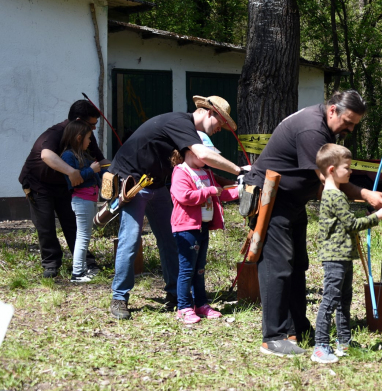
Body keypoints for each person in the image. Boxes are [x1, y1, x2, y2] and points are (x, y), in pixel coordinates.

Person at [248, 90, 382, 357]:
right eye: (347, 122)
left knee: (297, 265)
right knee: (278, 266)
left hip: (292, 201)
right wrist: (367, 194)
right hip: (272, 200)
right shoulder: (311, 130)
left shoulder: (325, 128)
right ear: (332, 110)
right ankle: (273, 337)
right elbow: (330, 182)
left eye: (354, 124)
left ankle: (297, 329)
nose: (349, 129)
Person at [107, 95, 250, 320]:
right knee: (131, 238)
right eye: (220, 124)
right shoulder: (182, 123)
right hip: (132, 181)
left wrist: (236, 180)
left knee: (171, 238)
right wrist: (239, 171)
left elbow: (207, 172)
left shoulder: (188, 130)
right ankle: (120, 297)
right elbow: (203, 155)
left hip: (156, 183)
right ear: (210, 113)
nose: (219, 129)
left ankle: (176, 295)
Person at [311, 144, 382, 363]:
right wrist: (378, 217)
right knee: (330, 300)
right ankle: (320, 346)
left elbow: (345, 221)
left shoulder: (335, 193)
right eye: (347, 167)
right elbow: (351, 224)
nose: (351, 172)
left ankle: (344, 343)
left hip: (343, 255)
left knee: (344, 299)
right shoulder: (335, 196)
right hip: (335, 257)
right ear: (331, 169)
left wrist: (373, 212)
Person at [19, 100, 106, 278]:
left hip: (64, 186)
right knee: (46, 225)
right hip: (38, 184)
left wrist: (118, 171)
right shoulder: (56, 133)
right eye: (92, 125)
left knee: (72, 223)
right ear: (80, 120)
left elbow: (101, 161)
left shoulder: (87, 136)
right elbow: (46, 154)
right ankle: (51, 264)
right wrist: (71, 172)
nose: (94, 130)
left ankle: (84, 262)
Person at [170, 132, 239, 324]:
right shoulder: (180, 172)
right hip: (185, 229)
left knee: (199, 268)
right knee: (187, 269)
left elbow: (220, 194)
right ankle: (184, 307)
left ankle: (201, 304)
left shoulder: (206, 172)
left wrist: (240, 191)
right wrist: (209, 191)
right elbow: (185, 196)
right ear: (192, 151)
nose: (209, 160)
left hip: (202, 227)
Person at [60, 120, 105, 283]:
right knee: (83, 236)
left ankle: (82, 269)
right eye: (88, 137)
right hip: (82, 200)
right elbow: (74, 180)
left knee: (85, 236)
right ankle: (77, 273)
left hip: (89, 199)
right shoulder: (68, 156)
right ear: (79, 138)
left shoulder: (84, 155)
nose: (90, 141)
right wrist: (91, 170)